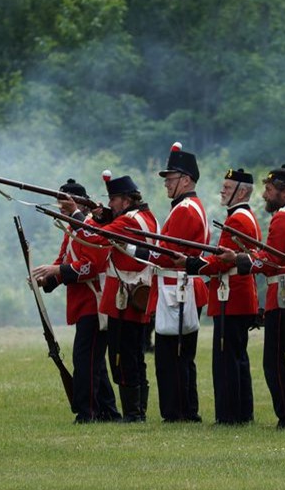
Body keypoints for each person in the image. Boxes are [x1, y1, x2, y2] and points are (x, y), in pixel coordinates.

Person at [222, 164, 285, 429]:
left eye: (269, 190)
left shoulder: (283, 217)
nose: (265, 195)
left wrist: (240, 259)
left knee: (276, 364)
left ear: (284, 192)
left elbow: (270, 261)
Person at [177, 168, 261, 425]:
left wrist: (193, 264)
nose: (222, 191)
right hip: (235, 294)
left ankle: (230, 415)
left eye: (227, 187)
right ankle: (240, 413)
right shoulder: (243, 216)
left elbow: (223, 261)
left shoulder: (237, 219)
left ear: (242, 191)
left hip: (232, 296)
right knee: (236, 358)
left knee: (227, 359)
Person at [32, 179, 120, 423]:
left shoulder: (91, 226)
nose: (61, 207)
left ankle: (87, 413)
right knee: (93, 361)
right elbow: (62, 261)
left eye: (65, 202)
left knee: (85, 360)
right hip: (84, 303)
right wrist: (45, 279)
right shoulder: (73, 228)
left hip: (95, 301)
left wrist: (56, 271)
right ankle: (108, 412)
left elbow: (91, 266)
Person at [137, 143, 209, 422]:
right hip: (179, 287)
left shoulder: (184, 210)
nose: (167, 183)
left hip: (175, 289)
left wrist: (135, 249)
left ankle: (177, 411)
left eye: (172, 178)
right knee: (180, 355)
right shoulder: (190, 207)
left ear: (187, 179)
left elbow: (165, 254)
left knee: (171, 356)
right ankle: (185, 409)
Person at [82, 173, 159, 422]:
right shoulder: (144, 216)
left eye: (113, 199)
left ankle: (133, 413)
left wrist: (85, 218)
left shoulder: (128, 220)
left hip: (125, 296)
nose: (111, 204)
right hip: (139, 291)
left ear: (125, 200)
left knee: (122, 356)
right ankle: (137, 411)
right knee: (134, 354)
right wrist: (104, 216)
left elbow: (93, 237)